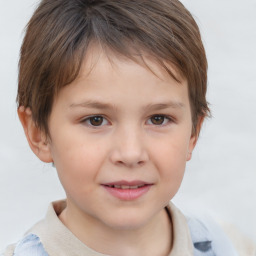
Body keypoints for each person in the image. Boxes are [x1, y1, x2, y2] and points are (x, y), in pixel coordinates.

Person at [2, 0, 255, 255]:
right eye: (96, 120)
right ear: (39, 134)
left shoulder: (232, 247)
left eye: (158, 119)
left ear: (193, 132)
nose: (131, 153)